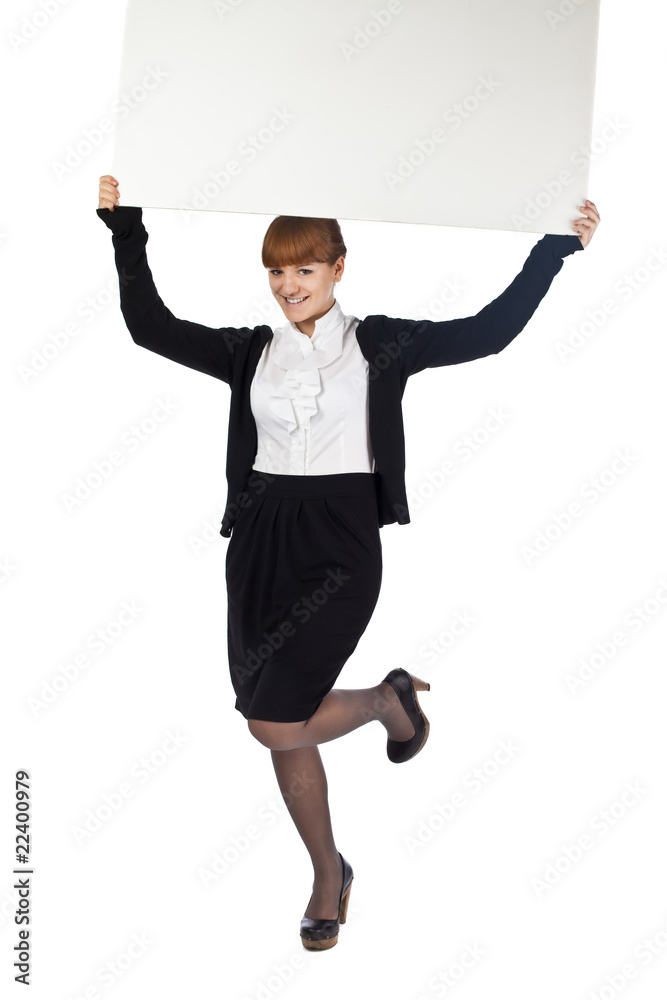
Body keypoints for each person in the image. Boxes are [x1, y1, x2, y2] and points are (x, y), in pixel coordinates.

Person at [97, 175, 600, 949]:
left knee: (272, 722)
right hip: (262, 541)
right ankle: (328, 875)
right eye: (275, 270)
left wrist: (553, 250)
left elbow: (486, 332)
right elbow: (148, 327)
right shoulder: (248, 353)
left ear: (338, 268)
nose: (287, 285)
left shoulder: (380, 343)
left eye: (304, 269)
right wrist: (125, 228)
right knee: (283, 720)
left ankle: (377, 703)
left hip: (338, 543)